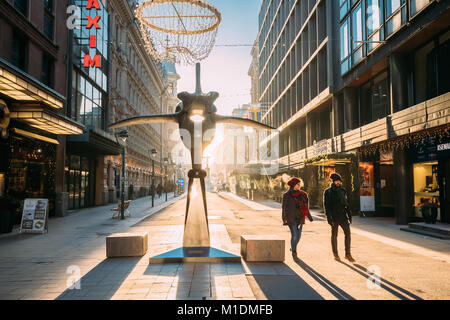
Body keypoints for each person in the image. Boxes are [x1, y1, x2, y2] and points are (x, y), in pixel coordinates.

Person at [323, 173, 355, 262]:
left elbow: (346, 204)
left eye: (339, 181)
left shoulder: (343, 190)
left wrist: (349, 214)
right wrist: (329, 217)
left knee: (348, 234)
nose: (338, 182)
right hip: (334, 216)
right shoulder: (328, 191)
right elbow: (326, 205)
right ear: (333, 181)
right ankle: (335, 253)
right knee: (334, 235)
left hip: (343, 216)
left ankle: (347, 254)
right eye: (337, 181)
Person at [282, 177, 313, 261]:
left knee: (298, 236)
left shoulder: (303, 194)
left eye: (300, 184)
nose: (299, 186)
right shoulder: (286, 195)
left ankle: (293, 247)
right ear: (293, 185)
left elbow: (306, 207)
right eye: (297, 184)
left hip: (300, 218)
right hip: (291, 218)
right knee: (294, 235)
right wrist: (284, 218)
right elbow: (284, 207)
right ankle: (294, 253)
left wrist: (309, 216)